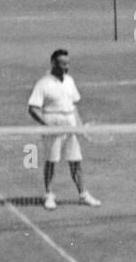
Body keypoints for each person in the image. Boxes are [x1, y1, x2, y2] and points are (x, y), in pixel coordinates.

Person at [27, 49, 100, 209]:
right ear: (53, 63)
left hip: (70, 124)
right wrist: (48, 126)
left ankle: (83, 194)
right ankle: (49, 195)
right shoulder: (43, 84)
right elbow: (33, 109)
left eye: (68, 63)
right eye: (63, 64)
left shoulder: (70, 81)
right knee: (51, 162)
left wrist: (80, 127)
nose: (66, 67)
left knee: (76, 162)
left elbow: (73, 106)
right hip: (52, 127)